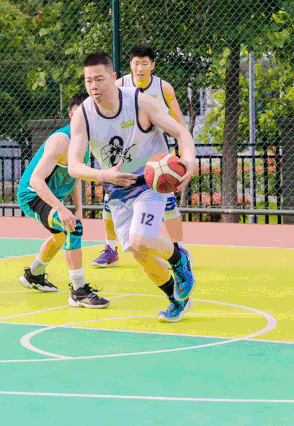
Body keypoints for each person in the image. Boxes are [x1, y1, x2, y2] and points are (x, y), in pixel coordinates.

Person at [67, 52, 198, 323]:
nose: (93, 86)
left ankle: (179, 259)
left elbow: (181, 132)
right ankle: (177, 299)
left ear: (114, 77)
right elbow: (74, 166)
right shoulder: (83, 116)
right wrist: (104, 175)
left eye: (99, 79)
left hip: (150, 182)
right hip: (117, 188)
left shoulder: (141, 102)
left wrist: (189, 160)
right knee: (139, 252)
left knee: (141, 240)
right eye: (88, 81)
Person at [94, 43, 187, 267]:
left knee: (168, 205)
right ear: (130, 65)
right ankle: (110, 249)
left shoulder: (163, 88)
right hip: (126, 156)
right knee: (110, 201)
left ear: (152, 65)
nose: (140, 68)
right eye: (136, 63)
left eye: (145, 64)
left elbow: (180, 125)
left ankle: (179, 250)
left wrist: (183, 157)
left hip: (155, 156)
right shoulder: (119, 85)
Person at [17, 93, 109, 308]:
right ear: (71, 115)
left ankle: (33, 275)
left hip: (51, 198)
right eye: (81, 113)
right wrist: (60, 208)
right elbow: (36, 180)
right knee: (72, 228)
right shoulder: (61, 141)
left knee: (60, 236)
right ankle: (79, 291)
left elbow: (74, 176)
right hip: (32, 194)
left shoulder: (84, 142)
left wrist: (79, 209)